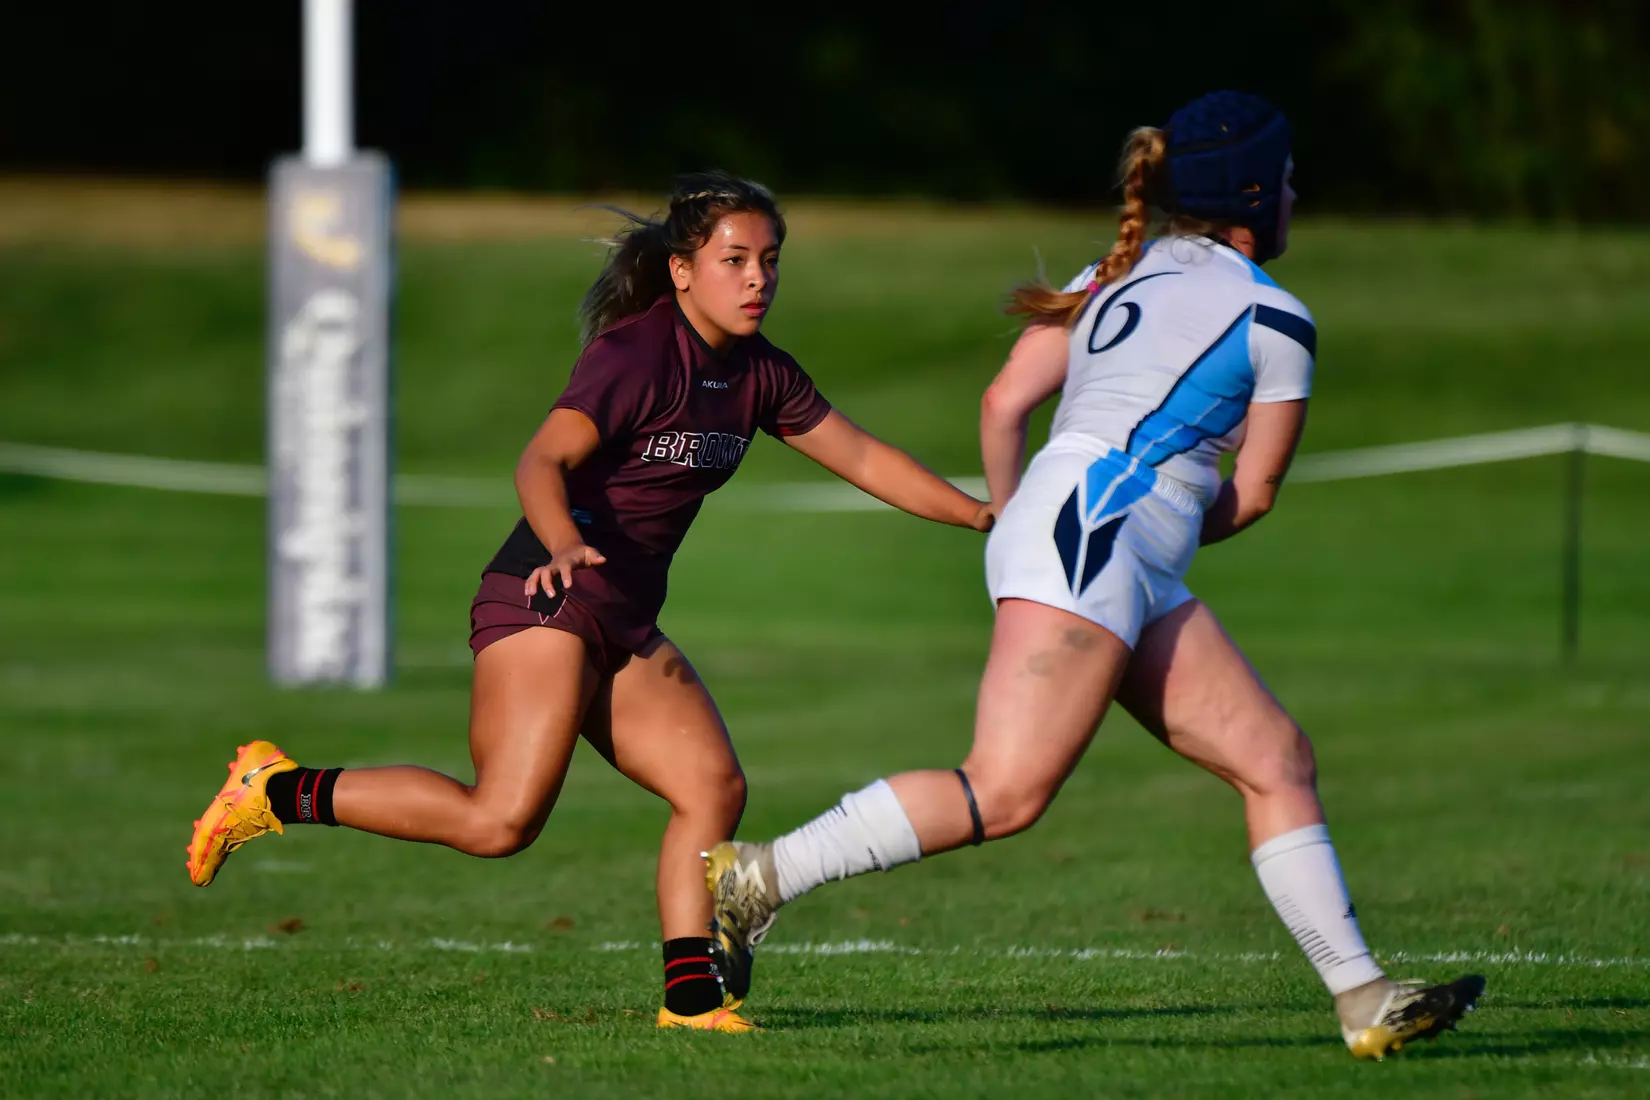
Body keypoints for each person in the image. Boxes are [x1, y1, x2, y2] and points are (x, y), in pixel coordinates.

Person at [705, 93, 1484, 1059]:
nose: (1294, 192)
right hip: (1100, 541)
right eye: (1285, 178)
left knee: (1276, 760)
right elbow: (1256, 493)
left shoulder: (1114, 270)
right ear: (1252, 194)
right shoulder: (1276, 320)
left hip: (1092, 539)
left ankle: (1362, 998)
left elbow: (1002, 404)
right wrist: (1132, 521)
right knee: (1007, 790)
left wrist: (1013, 520)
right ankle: (761, 875)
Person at [185, 171, 993, 1033]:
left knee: (712, 786)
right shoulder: (636, 354)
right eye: (735, 260)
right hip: (546, 595)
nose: (758, 278)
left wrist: (986, 516)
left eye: (769, 261)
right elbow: (540, 461)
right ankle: (276, 790)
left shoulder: (761, 373)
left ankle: (693, 1004)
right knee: (499, 822)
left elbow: (867, 460)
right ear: (683, 270)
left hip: (623, 617)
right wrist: (565, 541)